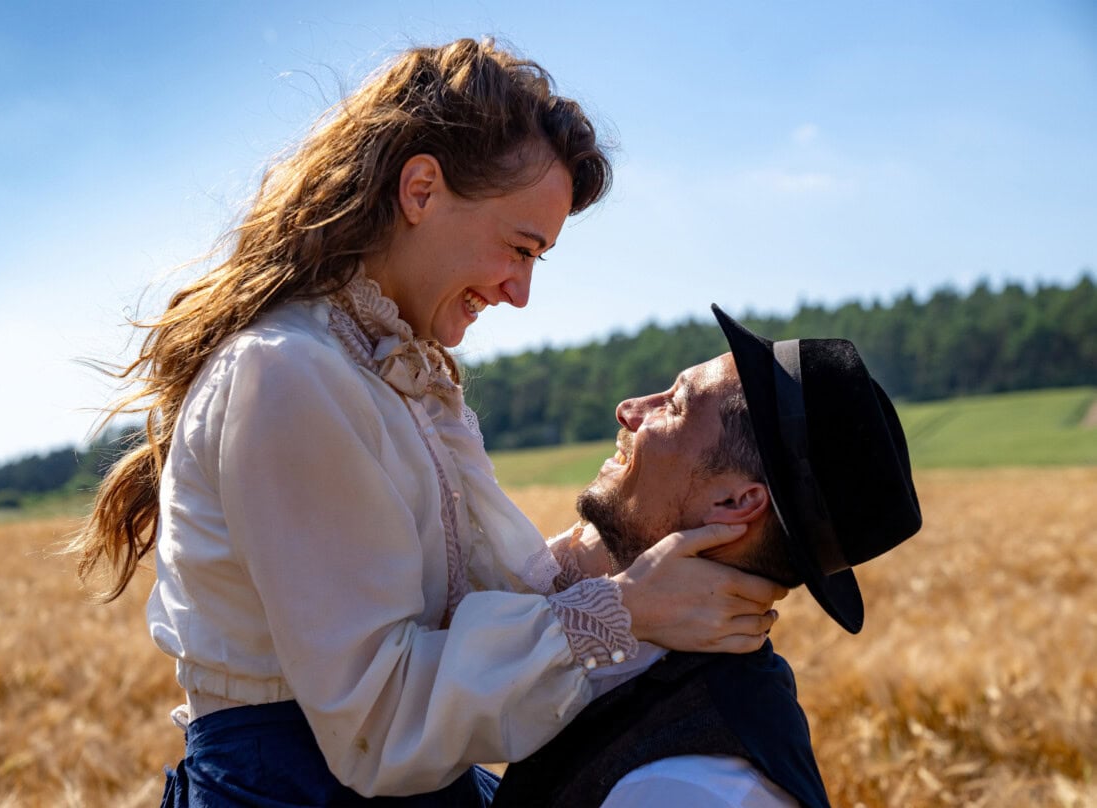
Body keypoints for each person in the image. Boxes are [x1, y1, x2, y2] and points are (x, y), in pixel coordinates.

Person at [68, 40, 787, 806]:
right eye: (519, 247)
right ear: (420, 190)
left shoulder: (389, 370)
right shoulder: (287, 374)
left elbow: (473, 611)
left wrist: (638, 571)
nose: (520, 292)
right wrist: (627, 610)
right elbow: (377, 723)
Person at [492, 305, 923, 808]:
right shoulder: (655, 671)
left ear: (734, 504)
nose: (630, 409)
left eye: (674, 406)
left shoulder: (687, 790)